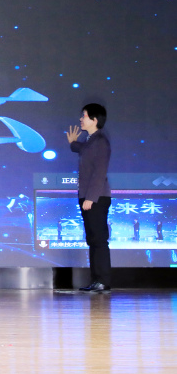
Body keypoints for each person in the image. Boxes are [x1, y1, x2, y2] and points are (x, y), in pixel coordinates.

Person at [67, 103, 112, 293]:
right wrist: (73, 144)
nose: (81, 119)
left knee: (99, 240)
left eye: (84, 116)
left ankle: (103, 280)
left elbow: (99, 173)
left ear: (94, 120)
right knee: (93, 239)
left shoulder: (100, 141)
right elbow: (84, 150)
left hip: (96, 198)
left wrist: (91, 198)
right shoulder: (91, 141)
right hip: (88, 196)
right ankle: (96, 281)